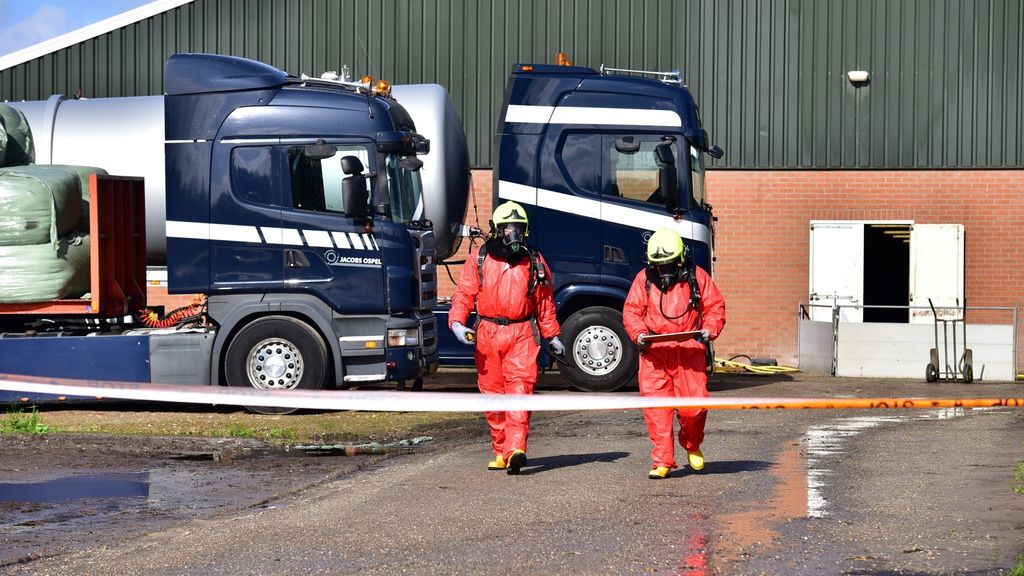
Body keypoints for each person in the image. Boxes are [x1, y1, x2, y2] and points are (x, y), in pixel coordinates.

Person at [449, 201, 563, 475]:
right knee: (492, 396)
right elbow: (464, 294)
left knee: (520, 392)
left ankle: (515, 450)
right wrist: (456, 323)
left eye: (519, 229)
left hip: (522, 334)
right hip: (487, 334)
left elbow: (544, 303)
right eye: (509, 228)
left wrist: (553, 335)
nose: (514, 234)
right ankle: (500, 451)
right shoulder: (479, 258)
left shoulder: (534, 261)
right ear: (498, 230)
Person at [622, 227, 726, 479]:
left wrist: (709, 330)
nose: (664, 270)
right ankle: (662, 461)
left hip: (689, 351)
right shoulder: (644, 279)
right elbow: (632, 311)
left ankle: (692, 444)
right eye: (659, 265)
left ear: (680, 259)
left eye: (668, 264)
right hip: (655, 353)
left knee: (694, 410)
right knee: (657, 411)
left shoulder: (696, 277)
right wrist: (639, 334)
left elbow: (714, 307)